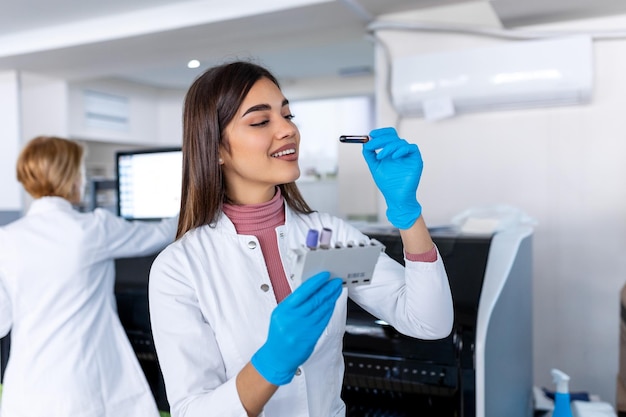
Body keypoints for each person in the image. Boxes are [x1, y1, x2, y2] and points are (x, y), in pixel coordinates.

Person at [148, 61, 454, 417]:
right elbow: (191, 410)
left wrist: (407, 213)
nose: (287, 130)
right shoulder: (181, 268)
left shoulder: (324, 240)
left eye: (287, 115)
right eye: (261, 121)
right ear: (215, 148)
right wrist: (270, 363)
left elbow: (428, 322)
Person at [0, 136, 177, 417]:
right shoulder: (92, 229)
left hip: (25, 392)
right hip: (80, 389)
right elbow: (161, 234)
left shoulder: (6, 240)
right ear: (69, 177)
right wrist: (197, 199)